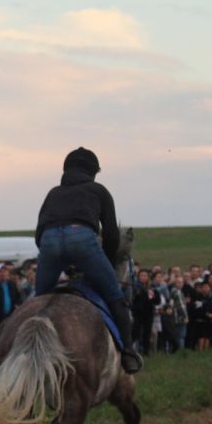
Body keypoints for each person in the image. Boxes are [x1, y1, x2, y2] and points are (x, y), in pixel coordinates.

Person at [33, 148, 145, 374]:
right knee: (115, 296)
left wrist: (59, 259)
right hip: (82, 238)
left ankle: (23, 346)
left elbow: (39, 234)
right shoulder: (98, 190)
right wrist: (106, 260)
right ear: (93, 172)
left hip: (49, 241)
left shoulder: (53, 193)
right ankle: (128, 353)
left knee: (38, 302)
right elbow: (112, 235)